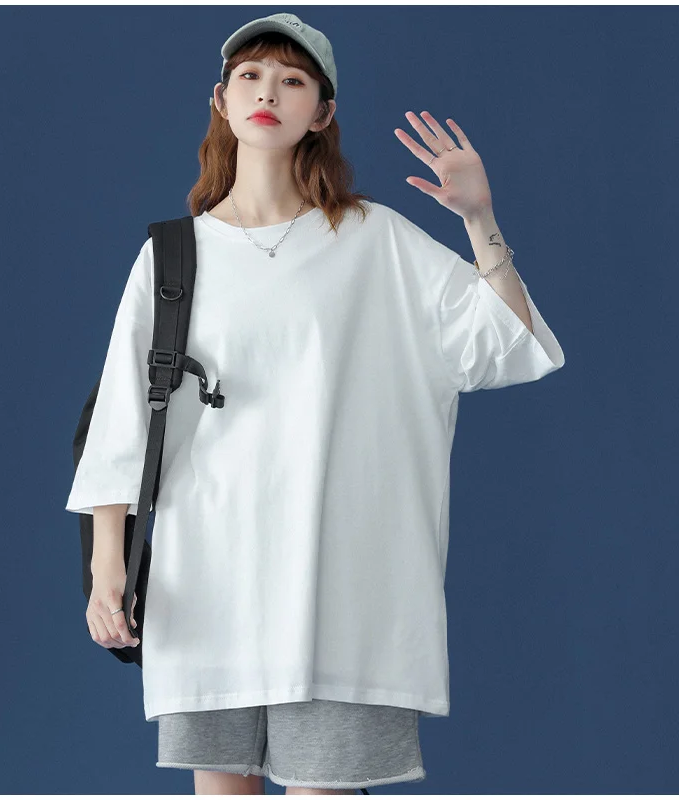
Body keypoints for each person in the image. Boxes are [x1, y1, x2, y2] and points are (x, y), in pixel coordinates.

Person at [65, 12, 566, 796]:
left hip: (343, 592)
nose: (268, 93)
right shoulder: (173, 255)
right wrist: (107, 571)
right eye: (250, 76)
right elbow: (121, 422)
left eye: (292, 80)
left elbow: (503, 342)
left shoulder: (375, 240)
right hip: (209, 584)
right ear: (222, 101)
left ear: (322, 113)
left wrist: (479, 220)